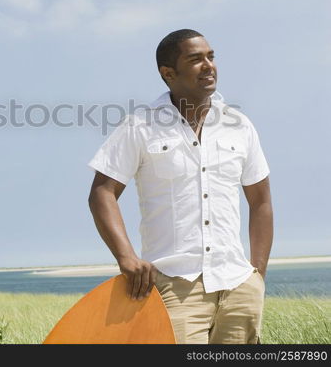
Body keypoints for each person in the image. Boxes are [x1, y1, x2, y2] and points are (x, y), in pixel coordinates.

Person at [87, 29, 273, 344]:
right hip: (176, 288)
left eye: (211, 57)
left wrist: (256, 274)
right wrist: (126, 257)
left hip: (238, 285)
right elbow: (102, 193)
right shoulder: (140, 126)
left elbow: (261, 201)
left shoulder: (239, 125)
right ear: (168, 73)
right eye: (196, 59)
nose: (209, 66)